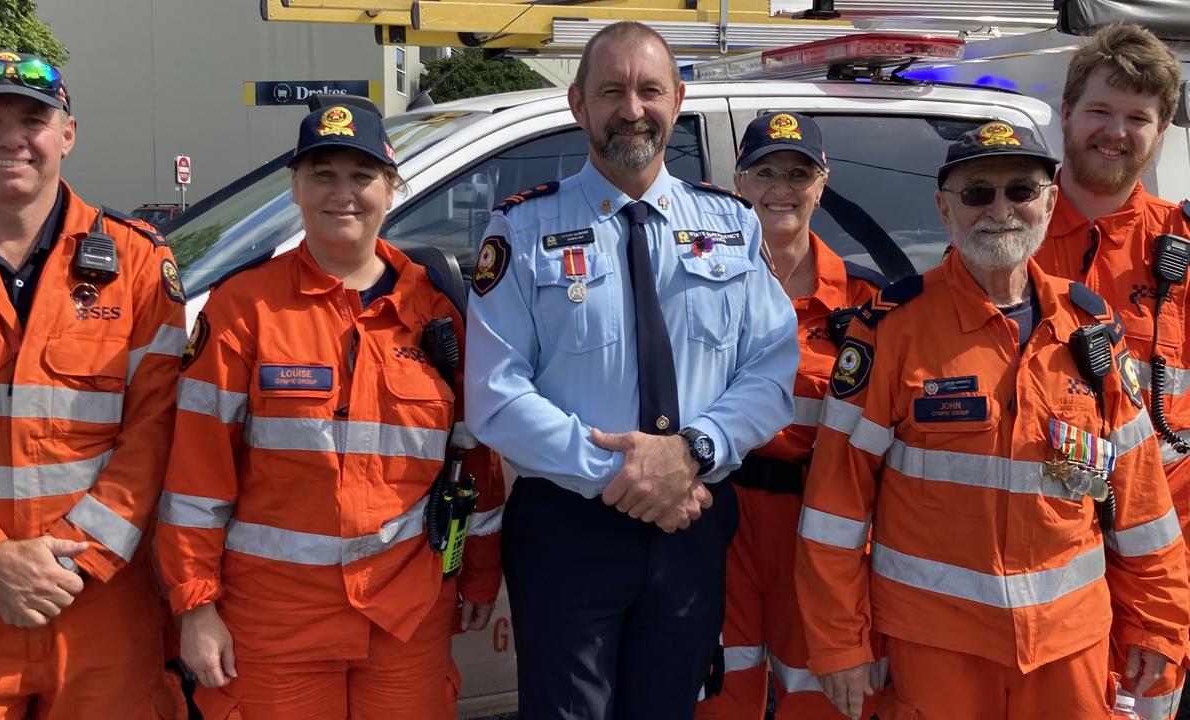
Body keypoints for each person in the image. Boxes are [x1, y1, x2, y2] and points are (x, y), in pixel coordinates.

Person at [795, 120, 1190, 720]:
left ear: (1049, 201)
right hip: (936, 650)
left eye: (1020, 191)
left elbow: (1142, 504)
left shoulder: (1090, 329)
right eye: (977, 192)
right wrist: (838, 644)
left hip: (1070, 651)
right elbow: (835, 508)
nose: (1000, 209)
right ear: (944, 208)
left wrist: (1160, 621)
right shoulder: (891, 331)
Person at [465, 21, 800, 719]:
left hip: (694, 519)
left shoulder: (732, 225)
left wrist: (694, 452)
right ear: (577, 103)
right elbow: (495, 397)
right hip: (569, 524)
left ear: (677, 100)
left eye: (649, 89)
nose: (632, 108)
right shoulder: (521, 230)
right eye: (611, 90)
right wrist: (629, 476)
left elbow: (771, 370)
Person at [157, 101, 504, 719]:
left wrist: (478, 573)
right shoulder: (244, 309)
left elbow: (472, 461)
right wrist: (196, 606)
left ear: (391, 189)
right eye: (322, 174)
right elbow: (195, 478)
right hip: (273, 619)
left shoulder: (436, 313)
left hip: (406, 613)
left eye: (361, 175)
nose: (342, 193)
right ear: (295, 187)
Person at [0, 51, 186, 717]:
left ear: (67, 133)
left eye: (33, 119)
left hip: (99, 601)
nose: (11, 139)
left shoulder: (140, 263)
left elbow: (158, 430)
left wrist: (73, 562)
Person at [695, 112, 882, 720]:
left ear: (822, 183)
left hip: (823, 525)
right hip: (722, 519)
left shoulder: (866, 304)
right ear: (739, 182)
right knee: (719, 691)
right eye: (766, 171)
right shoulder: (700, 285)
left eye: (798, 173)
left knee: (820, 694)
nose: (782, 187)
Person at [1033, 23, 1190, 719]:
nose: (1116, 132)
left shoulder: (1182, 248)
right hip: (1042, 552)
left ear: (1160, 132)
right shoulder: (1007, 231)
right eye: (1100, 110)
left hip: (1165, 564)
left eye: (1138, 118)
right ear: (1066, 113)